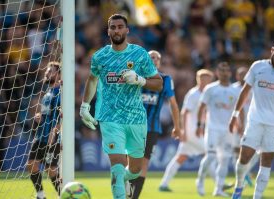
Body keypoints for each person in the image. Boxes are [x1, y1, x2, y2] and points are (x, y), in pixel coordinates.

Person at [79, 14, 163, 199]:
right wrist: (85, 106)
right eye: (113, 27)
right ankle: (119, 186)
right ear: (108, 31)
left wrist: (140, 80)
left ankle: (126, 179)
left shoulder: (139, 54)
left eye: (119, 27)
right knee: (117, 168)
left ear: (127, 30)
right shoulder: (100, 57)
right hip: (109, 117)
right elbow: (92, 80)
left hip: (135, 118)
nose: (116, 30)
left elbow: (158, 83)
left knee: (135, 169)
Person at [230, 41, 274, 199]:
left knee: (266, 160)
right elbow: (245, 91)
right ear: (272, 50)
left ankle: (257, 196)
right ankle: (239, 186)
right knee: (244, 156)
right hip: (255, 120)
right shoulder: (257, 67)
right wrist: (234, 115)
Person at [129, 50, 181, 199]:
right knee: (131, 163)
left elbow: (173, 103)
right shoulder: (135, 77)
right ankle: (126, 191)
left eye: (157, 58)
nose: (155, 59)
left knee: (143, 165)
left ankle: (133, 197)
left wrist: (177, 126)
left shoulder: (165, 79)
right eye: (151, 57)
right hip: (132, 126)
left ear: (160, 62)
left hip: (151, 128)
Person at [159, 69, 214, 192]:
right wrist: (183, 130)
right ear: (199, 79)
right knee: (208, 154)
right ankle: (219, 184)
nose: (207, 81)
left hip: (196, 131)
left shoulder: (206, 94)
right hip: (191, 131)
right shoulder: (193, 94)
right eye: (205, 78)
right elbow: (184, 112)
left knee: (181, 157)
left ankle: (164, 184)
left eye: (209, 79)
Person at [195, 62, 240, 197]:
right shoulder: (210, 88)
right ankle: (200, 181)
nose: (224, 73)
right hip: (213, 128)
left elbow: (239, 109)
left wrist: (240, 124)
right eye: (221, 70)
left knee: (224, 160)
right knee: (210, 156)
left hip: (228, 131)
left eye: (226, 70)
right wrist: (199, 125)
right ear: (217, 73)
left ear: (230, 73)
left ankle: (218, 189)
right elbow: (201, 107)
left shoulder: (235, 90)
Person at [26, 61, 62, 199]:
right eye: (47, 70)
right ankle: (41, 195)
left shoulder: (60, 93)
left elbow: (61, 116)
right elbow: (49, 114)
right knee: (31, 165)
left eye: (50, 71)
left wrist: (55, 132)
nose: (47, 73)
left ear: (58, 74)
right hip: (40, 136)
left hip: (51, 137)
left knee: (51, 170)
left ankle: (62, 194)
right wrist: (40, 117)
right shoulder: (48, 93)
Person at [231, 66, 259, 188]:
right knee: (237, 152)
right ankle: (241, 178)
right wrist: (237, 123)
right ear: (236, 75)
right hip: (237, 126)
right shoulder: (232, 89)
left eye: (245, 73)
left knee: (257, 152)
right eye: (240, 73)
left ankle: (245, 172)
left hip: (253, 124)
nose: (243, 76)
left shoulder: (254, 89)